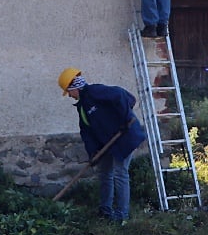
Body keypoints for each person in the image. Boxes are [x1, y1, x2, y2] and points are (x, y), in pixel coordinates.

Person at [57, 67, 146, 222]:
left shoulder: (96, 92)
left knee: (120, 173)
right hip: (107, 143)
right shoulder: (82, 107)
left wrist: (125, 119)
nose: (70, 96)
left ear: (75, 87)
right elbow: (87, 132)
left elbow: (124, 96)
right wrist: (93, 153)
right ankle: (105, 211)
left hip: (125, 136)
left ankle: (121, 216)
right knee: (104, 173)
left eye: (69, 92)